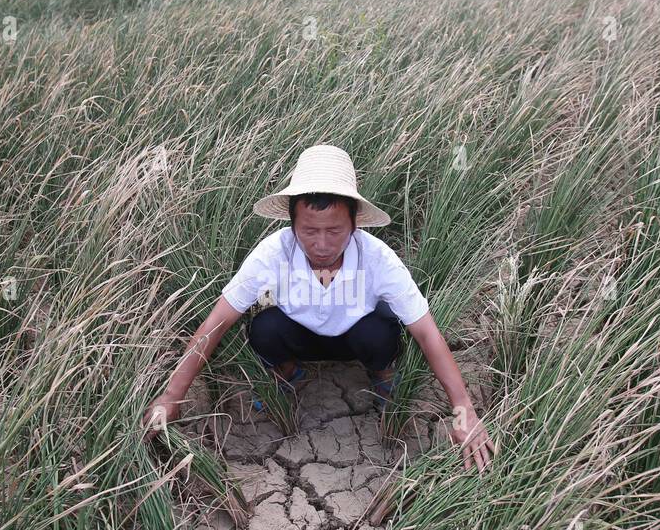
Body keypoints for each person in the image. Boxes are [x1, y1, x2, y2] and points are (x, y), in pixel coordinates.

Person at [141, 144, 496, 474]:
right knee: (265, 329)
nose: (322, 244)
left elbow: (425, 330)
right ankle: (289, 372)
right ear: (291, 223)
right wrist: (172, 396)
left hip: (358, 339)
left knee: (380, 332)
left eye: (335, 230)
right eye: (309, 231)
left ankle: (382, 376)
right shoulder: (273, 252)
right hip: (300, 336)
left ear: (355, 223)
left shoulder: (376, 258)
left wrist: (463, 407)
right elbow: (218, 321)